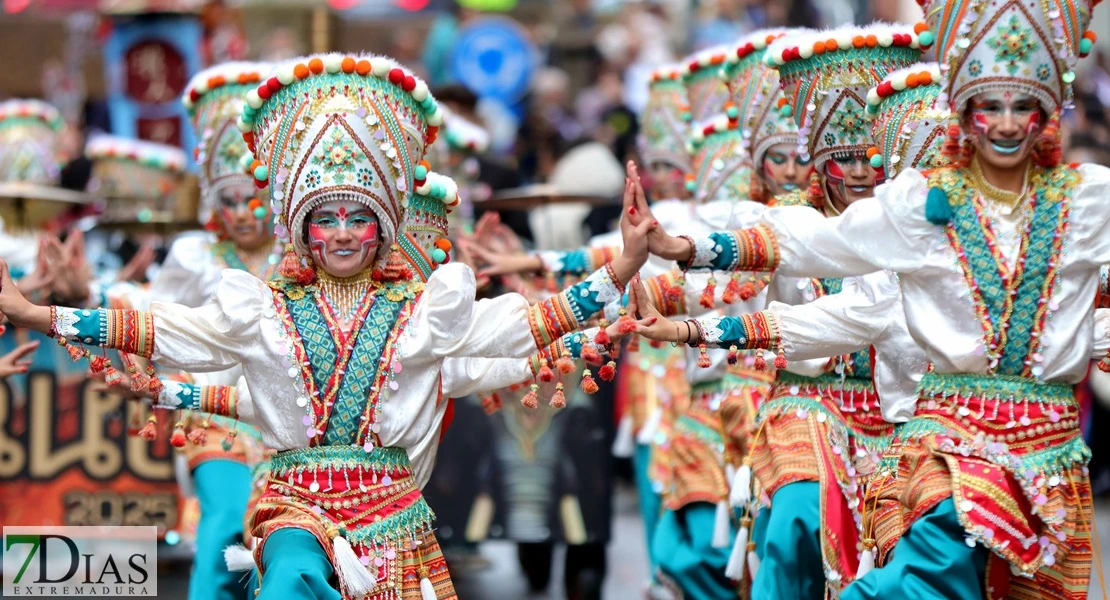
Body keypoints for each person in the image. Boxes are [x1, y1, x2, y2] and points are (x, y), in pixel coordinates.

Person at [0, 52, 655, 600]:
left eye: (357, 217)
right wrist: (40, 315)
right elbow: (158, 327)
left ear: (382, 228)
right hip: (293, 502)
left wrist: (620, 268)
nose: (342, 233)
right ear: (305, 231)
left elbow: (528, 325)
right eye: (326, 218)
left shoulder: (424, 313)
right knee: (289, 575)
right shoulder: (261, 311)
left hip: (395, 516)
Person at [642, 3, 1104, 596]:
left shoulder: (1090, 200)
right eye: (990, 106)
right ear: (965, 114)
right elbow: (821, 251)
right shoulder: (921, 206)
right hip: (944, 450)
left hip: (1047, 457)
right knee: (825, 538)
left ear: (1047, 114)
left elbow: (1088, 320)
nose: (1009, 124)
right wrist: (684, 252)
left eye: (1023, 106)